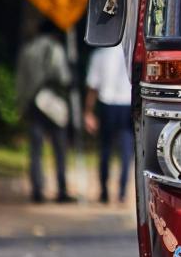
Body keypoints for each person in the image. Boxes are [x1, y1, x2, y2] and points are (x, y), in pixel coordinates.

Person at [16, 18, 74, 203]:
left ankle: (37, 190)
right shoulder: (55, 49)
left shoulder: (27, 50)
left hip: (33, 104)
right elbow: (63, 77)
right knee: (59, 148)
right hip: (53, 103)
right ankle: (61, 189)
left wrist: (22, 105)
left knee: (35, 149)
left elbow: (20, 82)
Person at [84, 44, 133, 204]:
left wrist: (88, 112)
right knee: (126, 149)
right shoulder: (131, 52)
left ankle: (104, 191)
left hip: (108, 104)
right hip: (127, 104)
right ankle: (122, 192)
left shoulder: (99, 54)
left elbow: (93, 86)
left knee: (105, 148)